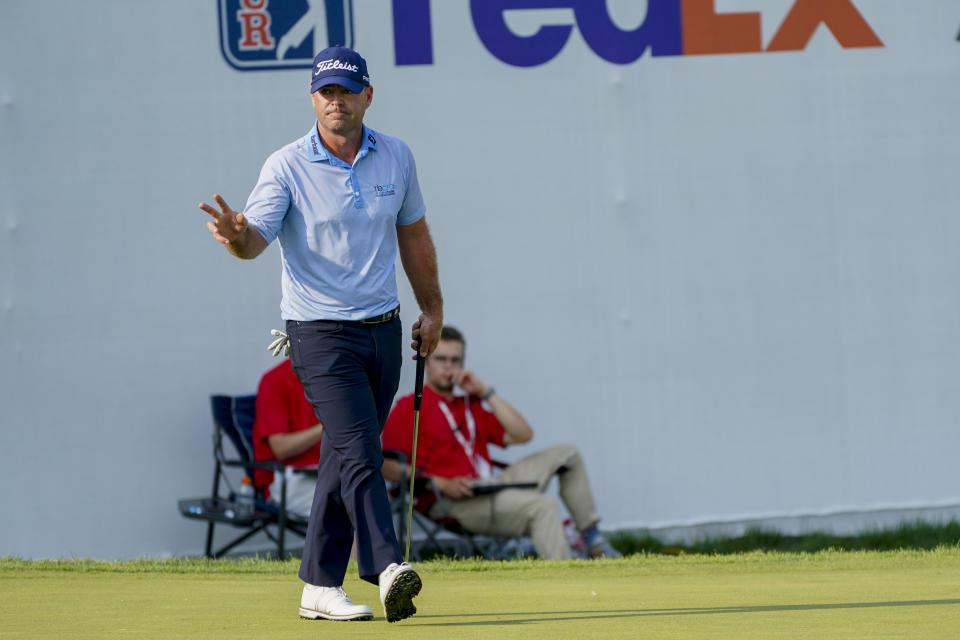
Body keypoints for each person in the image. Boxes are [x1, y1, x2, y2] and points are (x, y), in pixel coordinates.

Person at [199, 46, 442, 623]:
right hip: (319, 332)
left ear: (367, 96)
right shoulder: (285, 165)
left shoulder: (397, 157)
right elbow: (254, 240)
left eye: (346, 90)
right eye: (326, 92)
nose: (337, 101)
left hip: (382, 330)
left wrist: (431, 309)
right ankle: (388, 568)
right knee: (360, 449)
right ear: (313, 99)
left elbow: (413, 234)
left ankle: (317, 586)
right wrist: (236, 236)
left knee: (340, 453)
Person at [381, 326, 618, 561]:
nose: (448, 367)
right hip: (452, 500)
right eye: (441, 359)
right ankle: (568, 584)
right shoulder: (410, 407)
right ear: (427, 362)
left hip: (490, 484)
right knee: (543, 506)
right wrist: (439, 483)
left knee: (568, 453)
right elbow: (385, 465)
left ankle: (594, 542)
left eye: (455, 360)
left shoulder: (469, 403)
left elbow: (522, 435)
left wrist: (485, 391)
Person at [251, 358, 324, 518]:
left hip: (329, 475)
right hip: (287, 479)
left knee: (371, 500)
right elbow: (280, 448)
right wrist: (328, 425)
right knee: (350, 510)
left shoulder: (335, 378)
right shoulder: (275, 380)